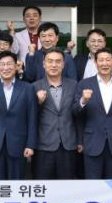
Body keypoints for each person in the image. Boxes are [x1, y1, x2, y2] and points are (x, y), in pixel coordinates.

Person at [72, 48, 112, 179]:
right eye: (101, 60)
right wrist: (83, 101)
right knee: (93, 185)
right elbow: (75, 113)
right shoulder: (84, 84)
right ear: (96, 63)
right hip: (92, 143)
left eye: (108, 60)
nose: (104, 63)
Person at [0, 51, 37, 179]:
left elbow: (32, 118)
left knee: (16, 182)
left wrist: (30, 144)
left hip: (19, 142)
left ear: (16, 66)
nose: (6, 67)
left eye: (9, 64)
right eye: (2, 64)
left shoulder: (28, 88)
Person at [32, 48, 79, 179]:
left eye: (58, 61)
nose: (54, 65)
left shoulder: (74, 85)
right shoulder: (34, 87)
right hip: (43, 146)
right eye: (50, 61)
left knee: (66, 185)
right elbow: (30, 118)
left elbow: (78, 116)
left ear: (63, 64)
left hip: (68, 145)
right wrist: (38, 102)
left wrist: (80, 141)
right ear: (44, 64)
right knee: (43, 185)